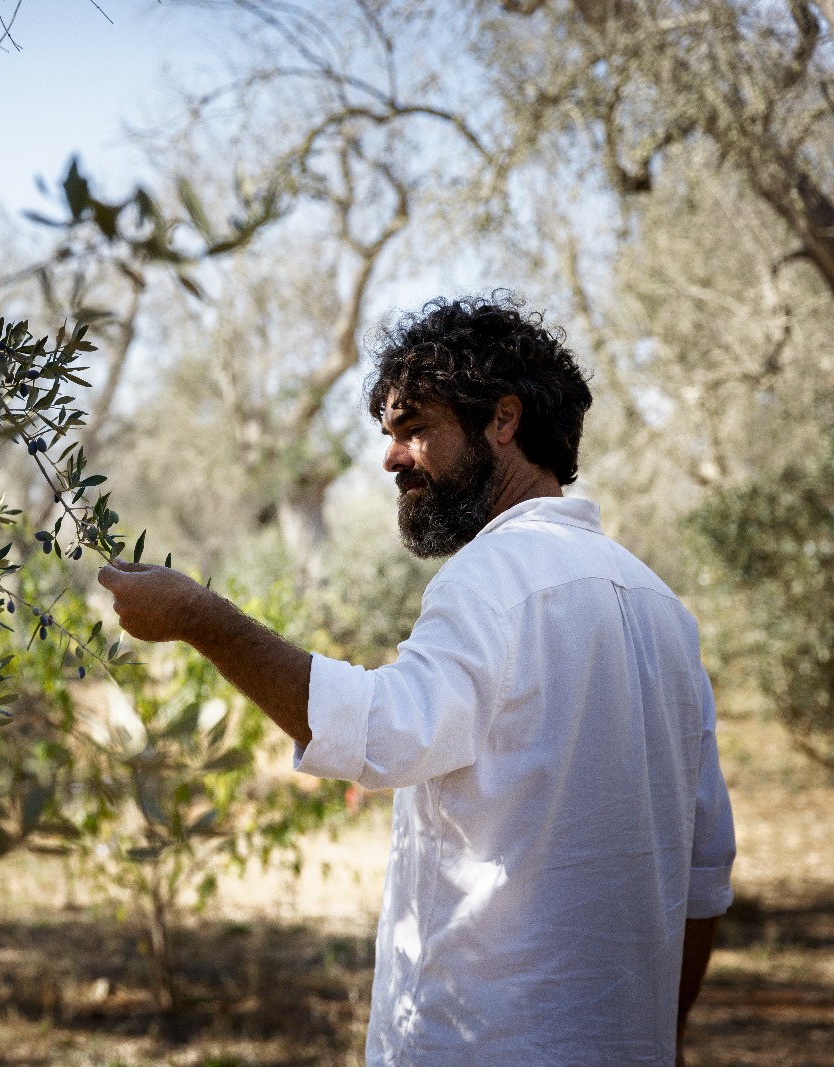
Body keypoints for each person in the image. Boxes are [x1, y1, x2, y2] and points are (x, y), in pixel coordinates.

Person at [96, 294, 735, 1066]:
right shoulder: (664, 610)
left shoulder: (492, 574)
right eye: (389, 434)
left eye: (415, 427)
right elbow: (704, 875)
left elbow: (380, 733)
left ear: (503, 420)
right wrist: (659, 1039)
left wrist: (201, 617)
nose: (392, 458)